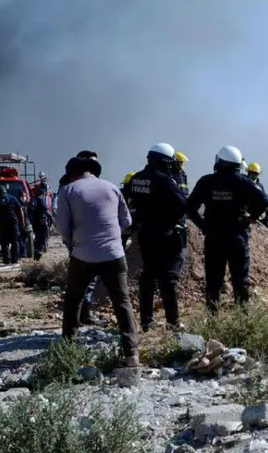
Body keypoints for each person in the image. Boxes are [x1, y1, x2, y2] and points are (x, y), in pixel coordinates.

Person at [55, 152, 139, 367]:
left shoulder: (68, 191)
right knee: (122, 301)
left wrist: (73, 244)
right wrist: (111, 237)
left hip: (82, 255)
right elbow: (126, 221)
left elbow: (62, 227)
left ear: (72, 174)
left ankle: (67, 350)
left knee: (74, 300)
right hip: (114, 254)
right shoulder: (111, 187)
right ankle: (131, 354)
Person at [186, 146, 268, 311]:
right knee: (240, 279)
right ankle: (242, 316)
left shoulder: (207, 181)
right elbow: (264, 201)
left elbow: (189, 206)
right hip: (237, 235)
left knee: (213, 280)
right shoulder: (243, 182)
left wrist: (203, 226)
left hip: (214, 236)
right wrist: (252, 217)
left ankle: (213, 317)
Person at [126, 143, 187, 331]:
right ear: (165, 161)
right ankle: (173, 322)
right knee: (168, 278)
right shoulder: (165, 180)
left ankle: (146, 321)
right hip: (166, 234)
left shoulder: (136, 178)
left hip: (145, 234)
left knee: (148, 277)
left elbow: (126, 201)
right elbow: (182, 204)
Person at [59, 154, 102, 324]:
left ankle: (79, 317)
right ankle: (82, 317)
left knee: (84, 280)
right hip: (82, 241)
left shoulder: (71, 186)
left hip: (84, 241)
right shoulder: (69, 188)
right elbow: (63, 220)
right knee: (85, 281)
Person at [0, 186, 25, 265]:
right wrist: (22, 222)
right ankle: (15, 259)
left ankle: (6, 259)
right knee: (15, 242)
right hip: (12, 223)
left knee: (4, 243)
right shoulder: (12, 198)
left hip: (1, 224)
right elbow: (20, 210)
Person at [29, 183, 54, 260]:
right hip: (42, 222)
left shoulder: (33, 200)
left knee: (38, 237)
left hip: (35, 223)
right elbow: (46, 210)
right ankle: (38, 252)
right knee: (44, 237)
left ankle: (37, 252)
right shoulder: (41, 199)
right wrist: (52, 219)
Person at [244, 162, 268, 226]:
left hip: (257, 211)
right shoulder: (244, 182)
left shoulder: (260, 186)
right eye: (252, 173)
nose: (253, 175)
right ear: (248, 173)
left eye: (255, 174)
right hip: (246, 209)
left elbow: (264, 198)